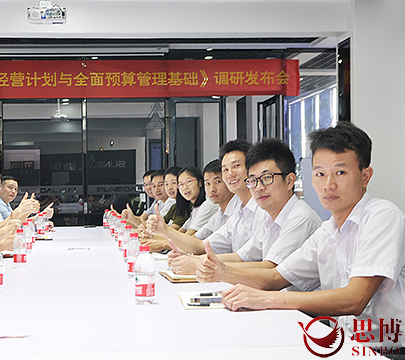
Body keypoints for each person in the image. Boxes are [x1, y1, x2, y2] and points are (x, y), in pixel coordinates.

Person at [212, 122, 405, 351]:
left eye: (340, 173)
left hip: (383, 351)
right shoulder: (327, 231)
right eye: (320, 174)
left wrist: (267, 300)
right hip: (339, 342)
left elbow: (355, 299)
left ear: (365, 177)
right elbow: (275, 277)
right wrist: (224, 274)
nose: (328, 185)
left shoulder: (383, 216)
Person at [178, 139, 321, 277]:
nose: (259, 187)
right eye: (253, 180)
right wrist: (198, 261)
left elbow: (271, 269)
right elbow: (240, 257)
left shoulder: (300, 217)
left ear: (289, 181)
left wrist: (204, 265)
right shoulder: (270, 220)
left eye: (266, 178)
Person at [141, 166, 218, 252]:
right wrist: (154, 237)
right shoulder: (194, 208)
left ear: (200, 183)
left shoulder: (209, 205)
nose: (185, 187)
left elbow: (188, 237)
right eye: (181, 184)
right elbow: (180, 233)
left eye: (188, 182)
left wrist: (161, 243)